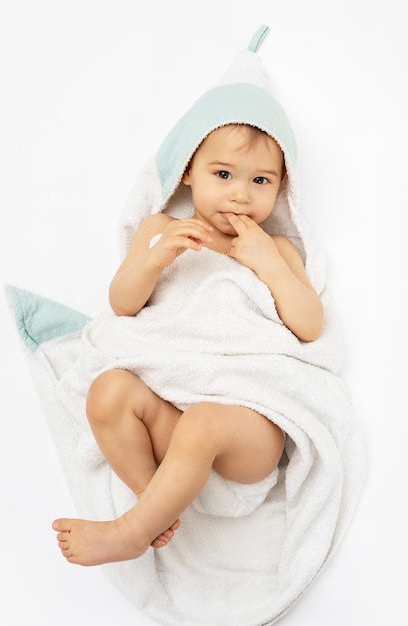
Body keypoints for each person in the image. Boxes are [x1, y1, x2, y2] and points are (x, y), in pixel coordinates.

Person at [52, 122, 324, 566]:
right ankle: (154, 502)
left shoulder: (275, 248)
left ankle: (130, 532)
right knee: (108, 391)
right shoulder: (160, 230)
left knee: (203, 422)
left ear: (280, 185)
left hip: (245, 433)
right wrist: (157, 257)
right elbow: (123, 305)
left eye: (260, 181)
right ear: (187, 172)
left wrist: (270, 266)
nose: (240, 195)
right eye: (223, 175)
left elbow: (310, 326)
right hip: (173, 428)